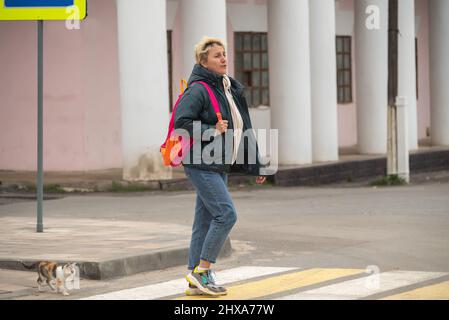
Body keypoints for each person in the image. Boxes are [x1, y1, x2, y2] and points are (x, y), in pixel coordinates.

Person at [174, 36, 268, 296]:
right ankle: (203, 271)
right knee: (226, 215)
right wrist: (211, 129)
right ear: (203, 62)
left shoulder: (227, 87)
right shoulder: (199, 89)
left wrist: (256, 163)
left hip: (218, 163)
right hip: (201, 162)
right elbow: (181, 123)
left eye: (224, 54)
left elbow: (243, 127)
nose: (224, 58)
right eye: (217, 55)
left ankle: (195, 278)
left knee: (203, 223)